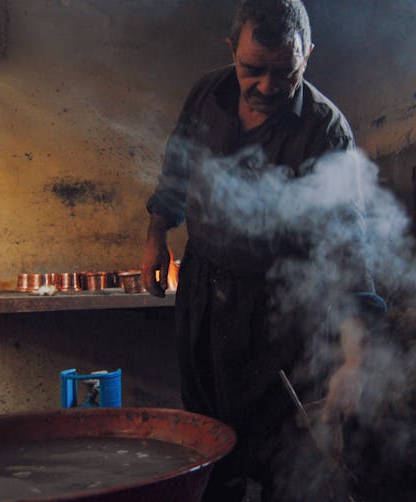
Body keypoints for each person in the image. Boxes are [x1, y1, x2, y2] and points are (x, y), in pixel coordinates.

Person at [141, 0, 384, 500]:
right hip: (204, 304)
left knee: (286, 469)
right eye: (253, 70)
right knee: (207, 456)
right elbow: (176, 166)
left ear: (308, 56)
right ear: (232, 50)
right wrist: (156, 235)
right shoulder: (207, 93)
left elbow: (345, 246)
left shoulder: (324, 130)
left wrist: (355, 359)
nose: (268, 87)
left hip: (281, 319)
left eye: (285, 73)